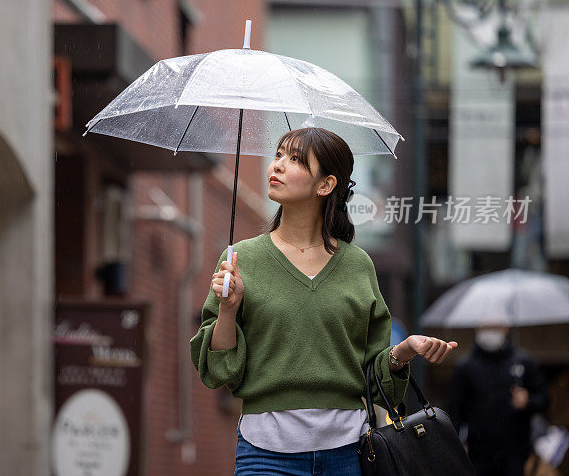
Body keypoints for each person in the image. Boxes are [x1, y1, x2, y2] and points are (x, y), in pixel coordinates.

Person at [189, 128, 458, 476]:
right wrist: (227, 310)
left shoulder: (357, 264)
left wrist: (402, 351)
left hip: (348, 453)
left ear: (326, 185)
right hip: (265, 453)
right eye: (279, 154)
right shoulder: (241, 259)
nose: (279, 165)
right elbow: (220, 371)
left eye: (296, 159)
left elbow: (372, 375)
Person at [447, 318, 550, 476]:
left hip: (516, 452)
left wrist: (527, 401)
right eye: (486, 326)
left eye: (495, 326)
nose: (490, 331)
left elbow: (544, 400)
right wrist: (455, 445)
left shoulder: (523, 362)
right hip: (478, 452)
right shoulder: (465, 366)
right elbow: (454, 409)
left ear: (506, 328)